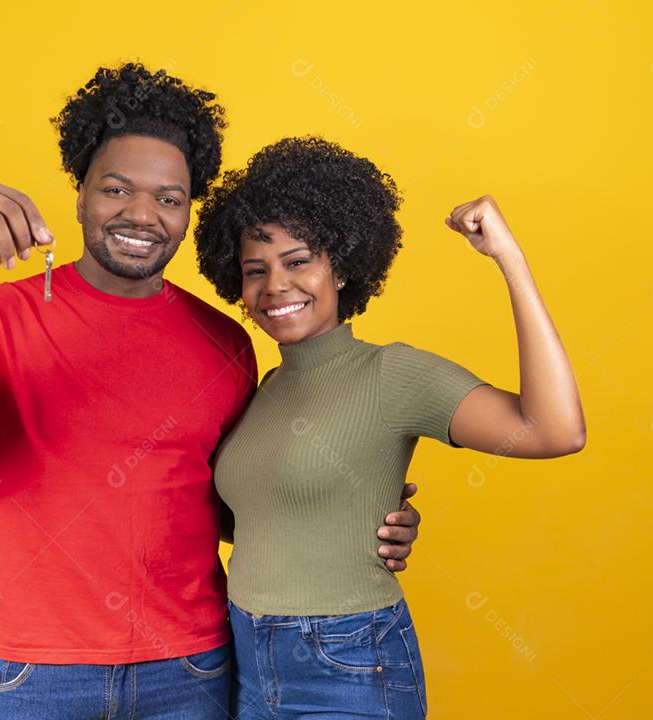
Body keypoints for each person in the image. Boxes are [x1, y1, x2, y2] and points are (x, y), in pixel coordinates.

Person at [0, 65, 420, 719]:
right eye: (116, 189)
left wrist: (356, 514)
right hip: (40, 677)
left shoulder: (226, 342)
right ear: (80, 194)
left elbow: (233, 506)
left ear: (189, 213)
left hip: (194, 670)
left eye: (169, 198)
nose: (142, 215)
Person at [194, 136, 586, 719]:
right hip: (249, 657)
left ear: (342, 267)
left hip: (347, 660)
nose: (274, 285)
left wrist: (510, 259)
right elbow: (261, 519)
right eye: (256, 270)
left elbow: (555, 431)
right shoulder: (266, 386)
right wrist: (363, 517)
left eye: (298, 261)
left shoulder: (392, 373)